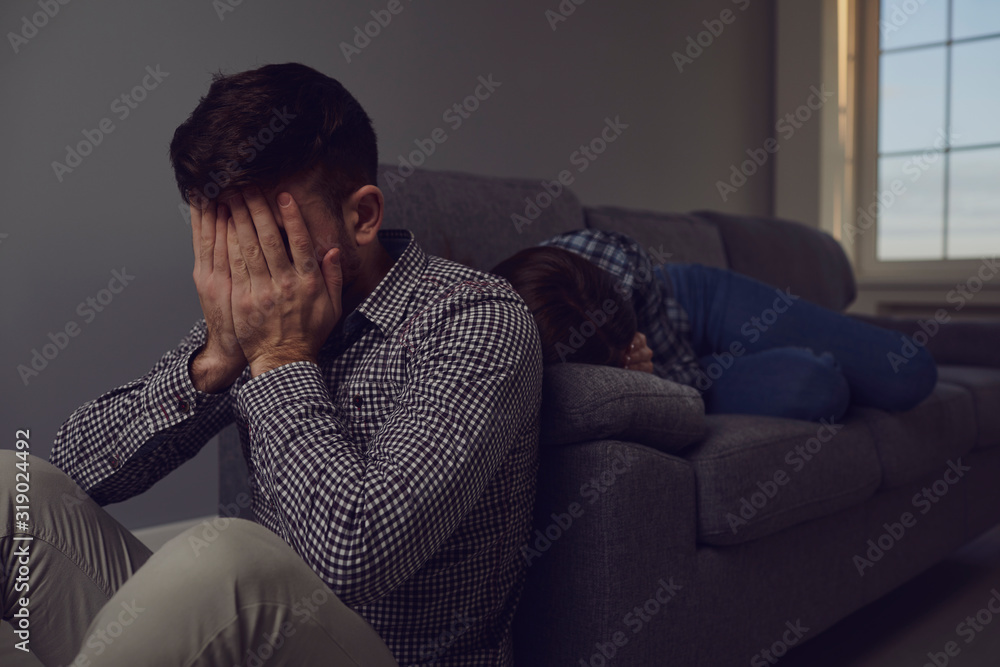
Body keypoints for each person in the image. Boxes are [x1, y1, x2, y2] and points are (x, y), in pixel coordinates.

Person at [0, 63, 543, 666]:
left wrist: (280, 358)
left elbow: (350, 558)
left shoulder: (476, 319)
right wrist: (214, 362)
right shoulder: (262, 311)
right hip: (250, 648)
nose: (244, 263)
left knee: (227, 560)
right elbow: (73, 472)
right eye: (223, 232)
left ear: (362, 217)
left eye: (268, 232)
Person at [489, 227, 938, 422]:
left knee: (908, 372)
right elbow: (690, 388)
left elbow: (691, 378)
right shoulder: (506, 343)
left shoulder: (616, 259)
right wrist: (642, 382)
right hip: (679, 372)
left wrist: (651, 368)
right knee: (820, 388)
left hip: (697, 305)